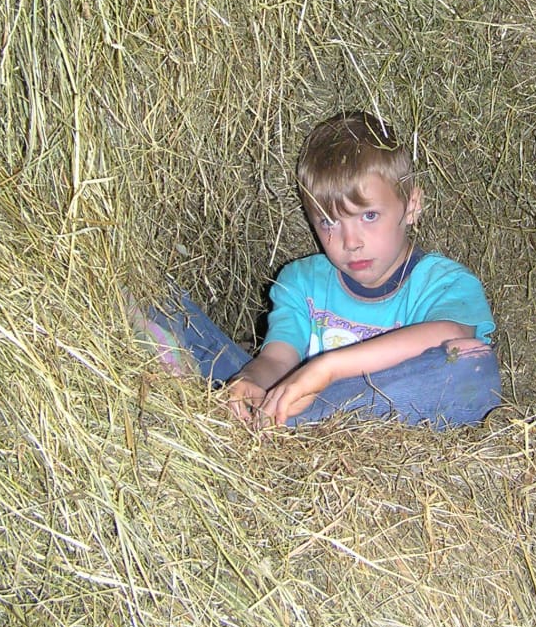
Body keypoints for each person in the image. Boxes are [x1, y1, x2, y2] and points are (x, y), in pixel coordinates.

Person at [131, 111, 500, 428]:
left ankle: (250, 423)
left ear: (412, 206)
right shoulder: (301, 281)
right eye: (328, 222)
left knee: (469, 363)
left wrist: (327, 369)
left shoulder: (445, 282)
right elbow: (277, 359)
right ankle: (237, 412)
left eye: (369, 216)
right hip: (289, 405)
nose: (350, 241)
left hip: (378, 412)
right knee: (152, 293)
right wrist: (250, 381)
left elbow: (449, 334)